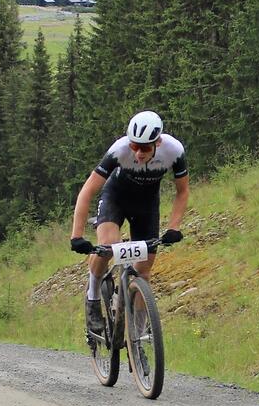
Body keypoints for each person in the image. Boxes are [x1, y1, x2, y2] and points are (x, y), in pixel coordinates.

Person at [69, 111, 189, 336]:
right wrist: (76, 235)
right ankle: (92, 296)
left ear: (158, 142)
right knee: (108, 245)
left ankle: (139, 337)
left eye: (145, 148)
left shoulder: (174, 151)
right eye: (135, 146)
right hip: (116, 198)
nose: (139, 153)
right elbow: (87, 190)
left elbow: (182, 192)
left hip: (146, 206)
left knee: (144, 270)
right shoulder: (119, 149)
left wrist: (174, 227)